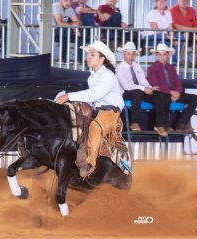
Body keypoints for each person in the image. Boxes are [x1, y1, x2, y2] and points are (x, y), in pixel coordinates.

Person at [55, 40, 124, 178]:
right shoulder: (92, 77)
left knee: (95, 127)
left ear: (102, 59)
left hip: (110, 112)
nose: (88, 57)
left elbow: (94, 94)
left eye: (92, 55)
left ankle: (89, 164)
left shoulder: (107, 76)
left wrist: (68, 95)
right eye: (88, 55)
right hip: (97, 109)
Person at [116, 42, 169, 136]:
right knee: (137, 92)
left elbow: (142, 80)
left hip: (139, 90)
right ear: (124, 54)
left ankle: (159, 124)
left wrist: (149, 88)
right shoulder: (119, 68)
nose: (131, 56)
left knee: (159, 94)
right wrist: (143, 88)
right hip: (125, 93)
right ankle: (134, 122)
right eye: (128, 54)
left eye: (133, 54)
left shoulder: (136, 66)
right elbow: (126, 86)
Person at [147, 43, 197, 133]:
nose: (162, 57)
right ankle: (167, 125)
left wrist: (177, 92)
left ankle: (182, 124)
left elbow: (177, 82)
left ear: (167, 55)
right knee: (162, 96)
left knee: (195, 98)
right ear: (157, 55)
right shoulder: (152, 68)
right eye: (160, 54)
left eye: (164, 54)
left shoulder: (171, 67)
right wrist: (171, 92)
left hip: (171, 93)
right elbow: (155, 85)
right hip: (162, 94)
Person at [169, 0, 197, 66]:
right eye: (183, 0)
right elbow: (176, 26)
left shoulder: (192, 10)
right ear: (178, 1)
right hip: (176, 34)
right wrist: (193, 30)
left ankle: (196, 61)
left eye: (186, 0)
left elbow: (196, 25)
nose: (185, 2)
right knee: (185, 35)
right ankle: (179, 61)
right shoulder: (172, 10)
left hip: (191, 33)